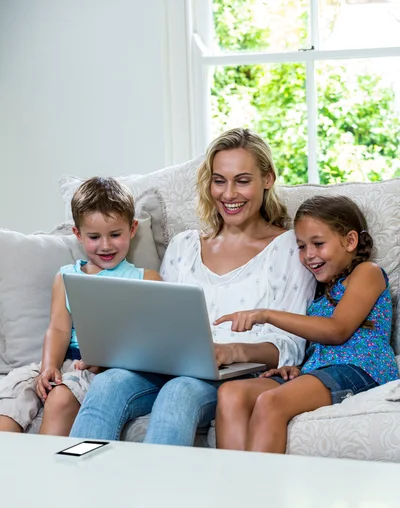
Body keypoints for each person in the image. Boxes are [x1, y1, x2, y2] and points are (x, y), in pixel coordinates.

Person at [69, 127, 316, 445]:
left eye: (242, 180)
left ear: (267, 179)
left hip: (232, 374)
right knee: (107, 384)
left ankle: (162, 494)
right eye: (219, 180)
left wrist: (231, 351)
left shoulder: (289, 250)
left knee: (180, 391)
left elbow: (291, 347)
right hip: (164, 365)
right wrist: (117, 352)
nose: (228, 194)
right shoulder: (184, 245)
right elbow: (156, 321)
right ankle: (78, 489)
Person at [214, 195, 399, 453]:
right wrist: (297, 368)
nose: (309, 255)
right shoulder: (322, 290)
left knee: (271, 402)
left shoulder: (367, 272)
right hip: (319, 370)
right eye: (301, 246)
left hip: (359, 367)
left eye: (318, 244)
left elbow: (336, 330)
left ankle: (256, 492)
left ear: (350, 240)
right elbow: (319, 342)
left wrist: (266, 314)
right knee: (231, 394)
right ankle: (230, 490)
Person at [0, 177, 161, 436]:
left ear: (132, 229)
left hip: (99, 369)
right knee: (13, 392)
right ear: (78, 234)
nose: (106, 245)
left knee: (62, 397)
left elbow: (152, 340)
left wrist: (108, 360)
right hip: (64, 360)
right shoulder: (66, 277)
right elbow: (59, 329)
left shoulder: (147, 279)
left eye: (115, 234)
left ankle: (47, 471)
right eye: (94, 237)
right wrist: (49, 366)